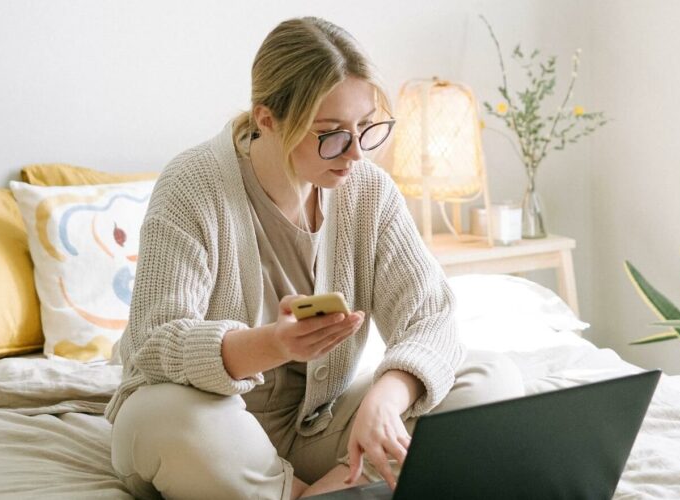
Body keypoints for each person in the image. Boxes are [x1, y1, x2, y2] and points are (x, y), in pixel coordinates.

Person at [107, 16, 525, 500]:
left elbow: (431, 316)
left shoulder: (367, 191)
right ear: (267, 119)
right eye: (330, 133)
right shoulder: (192, 185)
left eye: (365, 128)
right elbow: (153, 345)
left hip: (313, 431)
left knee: (490, 377)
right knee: (163, 418)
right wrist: (275, 344)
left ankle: (322, 493)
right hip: (210, 431)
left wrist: (386, 398)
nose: (355, 154)